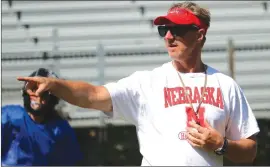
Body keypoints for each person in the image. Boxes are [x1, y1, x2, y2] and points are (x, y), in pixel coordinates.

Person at [17, 2, 260, 166]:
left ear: (199, 34)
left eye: (177, 29)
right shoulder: (147, 83)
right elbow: (92, 95)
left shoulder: (225, 85)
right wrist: (54, 84)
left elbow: (250, 150)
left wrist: (221, 144)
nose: (168, 36)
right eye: (164, 29)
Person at [2, 68, 83, 166]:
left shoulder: (60, 129)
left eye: (44, 94)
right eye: (34, 90)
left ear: (53, 99)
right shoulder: (10, 117)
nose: (37, 96)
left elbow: (69, 161)